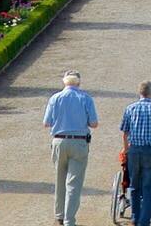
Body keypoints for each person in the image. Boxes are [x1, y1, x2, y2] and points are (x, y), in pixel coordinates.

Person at [43, 70, 97, 226]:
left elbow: (46, 123)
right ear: (78, 83)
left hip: (59, 141)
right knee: (74, 183)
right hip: (79, 142)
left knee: (60, 179)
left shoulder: (55, 98)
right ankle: (69, 220)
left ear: (64, 82)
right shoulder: (85, 98)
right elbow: (94, 123)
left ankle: (59, 215)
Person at [119, 81, 151, 225]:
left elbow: (125, 133)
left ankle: (135, 217)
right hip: (150, 151)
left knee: (134, 186)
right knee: (148, 188)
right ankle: (143, 221)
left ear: (139, 92)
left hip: (134, 151)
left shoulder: (130, 108)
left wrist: (126, 149)